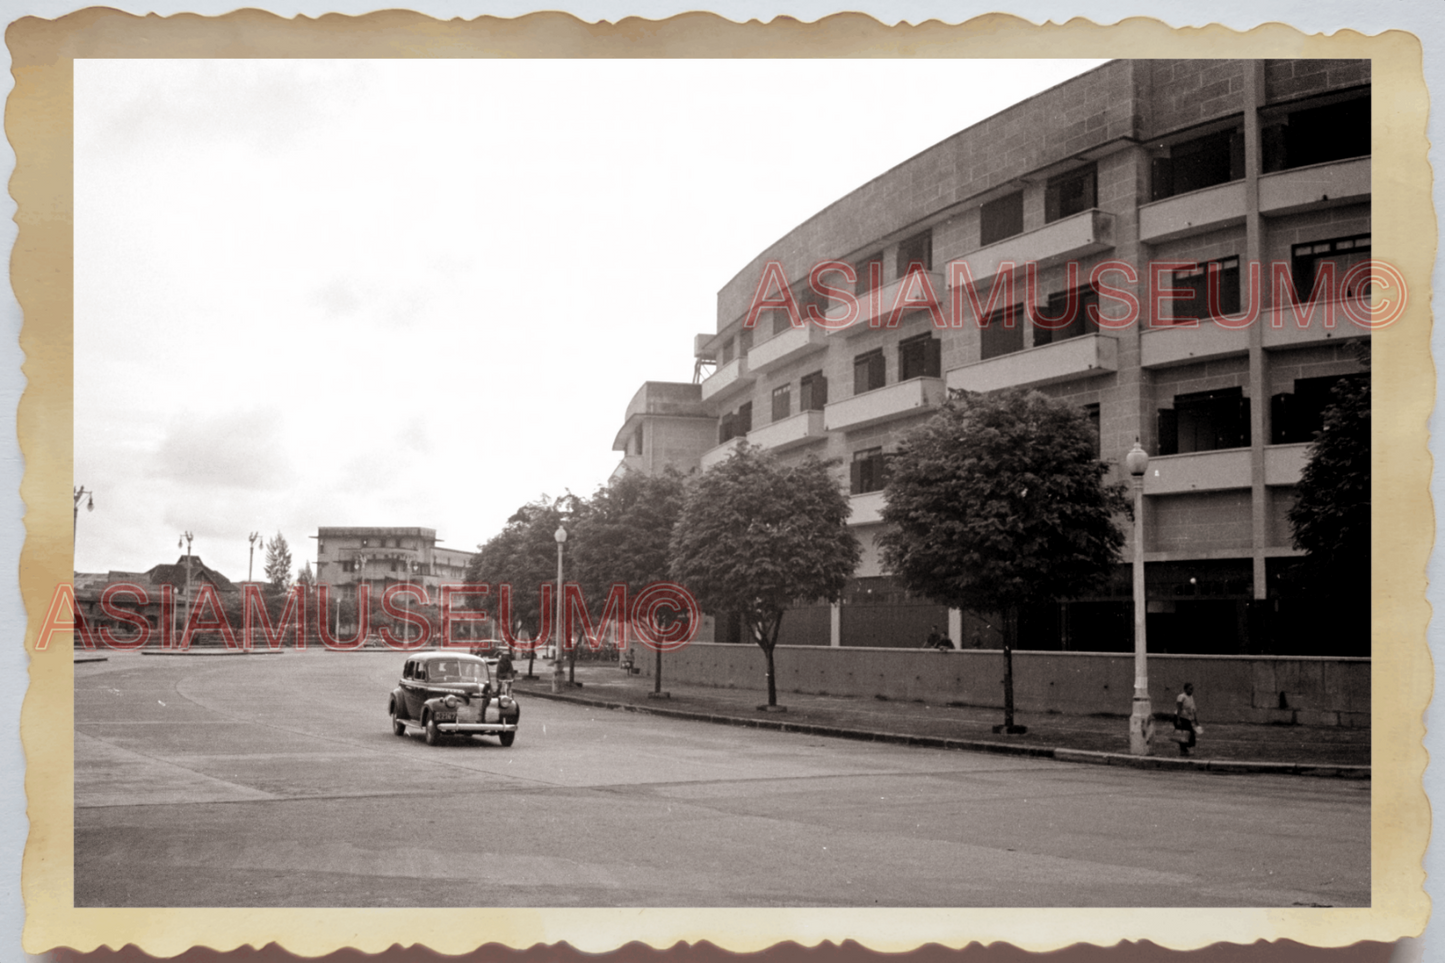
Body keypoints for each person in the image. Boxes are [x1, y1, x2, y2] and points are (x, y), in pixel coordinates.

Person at [1174, 682, 1198, 756]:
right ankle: (1183, 750)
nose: (1191, 691)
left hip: (1187, 718)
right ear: (1185, 689)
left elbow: (1192, 709)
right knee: (1184, 735)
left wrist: (1195, 720)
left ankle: (1185, 750)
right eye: (1190, 689)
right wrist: (1178, 720)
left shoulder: (1191, 697)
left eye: (1192, 689)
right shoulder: (1181, 697)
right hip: (1181, 718)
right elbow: (1179, 709)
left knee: (1190, 734)